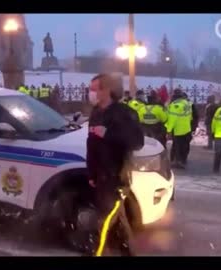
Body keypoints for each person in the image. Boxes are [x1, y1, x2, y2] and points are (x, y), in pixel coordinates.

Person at [86, 73, 144, 256]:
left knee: (104, 220)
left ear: (107, 90)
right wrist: (92, 173)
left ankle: (95, 253)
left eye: (94, 89)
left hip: (117, 176)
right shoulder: (96, 113)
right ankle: (127, 252)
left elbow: (137, 142)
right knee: (116, 219)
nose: (91, 93)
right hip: (101, 176)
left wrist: (108, 134)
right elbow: (92, 144)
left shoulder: (124, 113)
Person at [166, 89, 192, 169]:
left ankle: (176, 161)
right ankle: (182, 161)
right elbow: (190, 117)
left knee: (177, 146)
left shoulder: (175, 105)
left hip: (178, 129)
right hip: (186, 128)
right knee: (184, 146)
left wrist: (169, 130)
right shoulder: (187, 103)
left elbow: (172, 119)